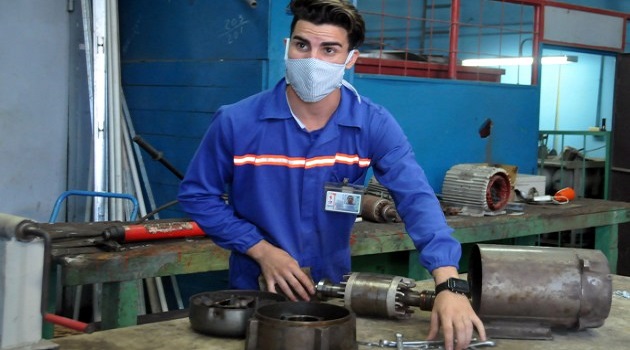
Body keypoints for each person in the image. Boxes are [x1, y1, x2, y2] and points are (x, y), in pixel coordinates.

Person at [177, 1, 485, 349]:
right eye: (302, 45)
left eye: (329, 49)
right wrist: (261, 250)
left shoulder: (371, 124)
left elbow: (416, 199)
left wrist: (448, 283)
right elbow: (198, 196)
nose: (312, 60)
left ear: (350, 59)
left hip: (335, 295)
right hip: (256, 294)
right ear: (287, 47)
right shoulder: (237, 122)